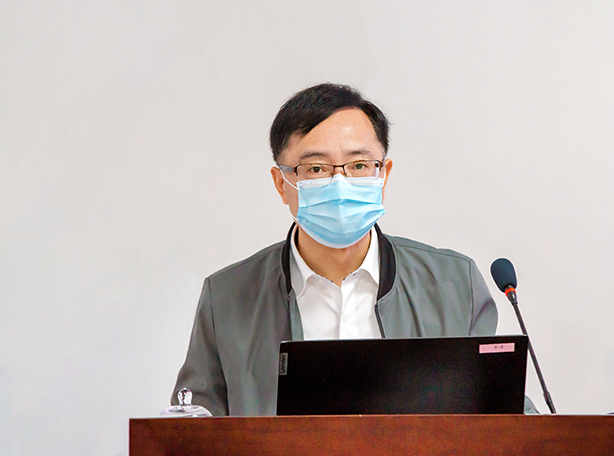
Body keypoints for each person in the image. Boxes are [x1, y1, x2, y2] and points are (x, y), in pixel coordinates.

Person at [172, 83, 536, 415]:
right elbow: (191, 435)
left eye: (359, 165)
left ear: (383, 174)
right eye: (316, 168)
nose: (340, 182)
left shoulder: (453, 283)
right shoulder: (227, 298)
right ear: (282, 183)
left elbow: (504, 413)